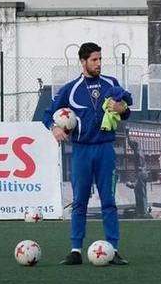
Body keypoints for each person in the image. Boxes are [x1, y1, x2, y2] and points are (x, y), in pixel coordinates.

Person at [42, 42, 131, 265]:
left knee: (109, 201)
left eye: (100, 59)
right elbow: (47, 114)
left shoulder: (111, 84)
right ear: (83, 62)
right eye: (94, 60)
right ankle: (75, 251)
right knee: (80, 201)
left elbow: (126, 110)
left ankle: (113, 249)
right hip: (81, 151)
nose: (99, 63)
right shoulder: (71, 89)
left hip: (105, 149)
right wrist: (54, 128)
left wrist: (123, 109)